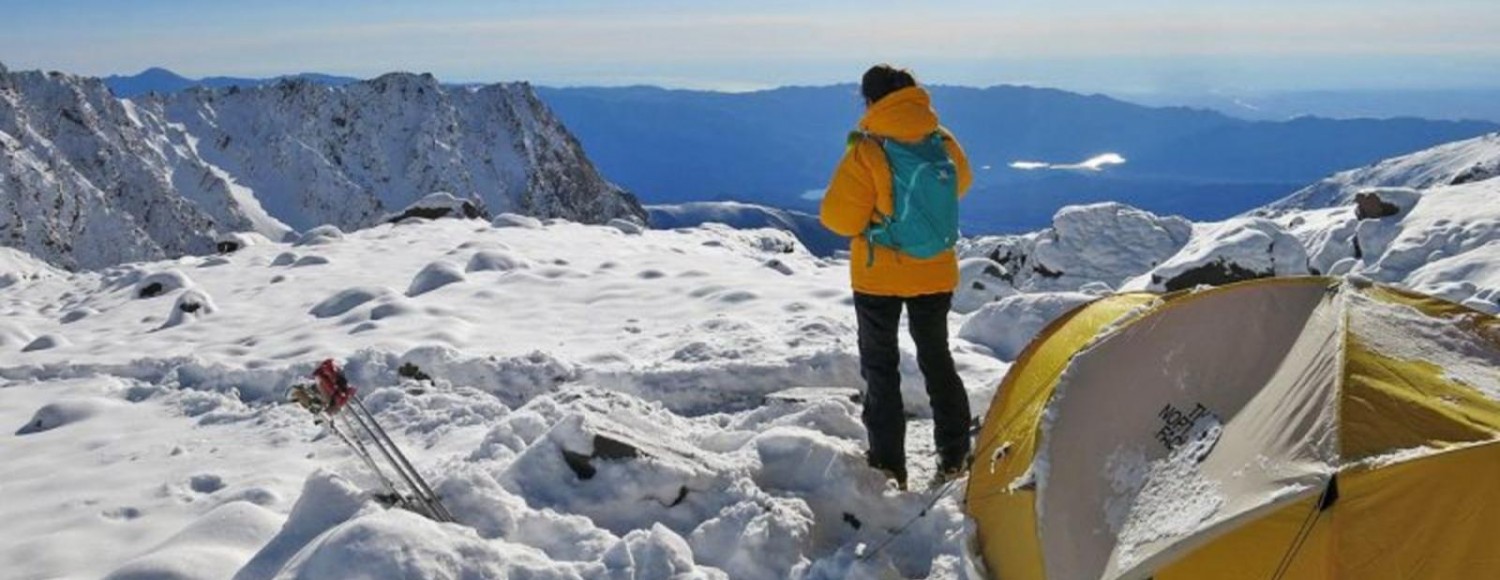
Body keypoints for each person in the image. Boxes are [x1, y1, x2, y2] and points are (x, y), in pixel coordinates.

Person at [820, 64, 973, 490]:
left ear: (870, 101)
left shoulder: (868, 150)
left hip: (878, 276)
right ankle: (956, 456)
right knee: (937, 360)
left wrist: (879, 217)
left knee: (880, 368)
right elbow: (961, 181)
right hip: (935, 269)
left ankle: (889, 468)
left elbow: (836, 217)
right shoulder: (941, 139)